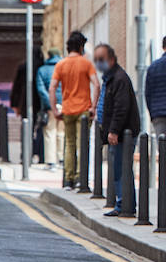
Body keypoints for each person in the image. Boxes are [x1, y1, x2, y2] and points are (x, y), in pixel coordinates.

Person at [93, 43, 140, 217]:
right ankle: (123, 203)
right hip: (117, 133)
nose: (98, 63)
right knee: (119, 168)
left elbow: (121, 107)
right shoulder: (111, 78)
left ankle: (124, 204)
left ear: (111, 59)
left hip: (123, 134)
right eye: (96, 60)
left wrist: (113, 131)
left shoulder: (119, 78)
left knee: (122, 168)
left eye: (101, 59)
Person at [50, 32, 100, 190]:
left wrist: (55, 109)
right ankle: (80, 178)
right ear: (80, 47)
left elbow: (52, 88)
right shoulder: (86, 64)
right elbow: (97, 85)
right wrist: (94, 106)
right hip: (84, 109)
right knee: (82, 144)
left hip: (67, 110)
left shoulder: (61, 65)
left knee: (69, 144)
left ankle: (68, 179)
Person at [144, 35, 166, 179]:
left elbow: (148, 92)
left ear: (162, 46)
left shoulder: (153, 66)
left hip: (158, 113)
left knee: (163, 147)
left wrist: (152, 113)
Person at [10, 57, 44, 165]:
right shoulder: (41, 67)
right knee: (40, 130)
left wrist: (15, 104)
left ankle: (25, 155)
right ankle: (40, 155)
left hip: (25, 103)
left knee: (26, 129)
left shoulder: (23, 66)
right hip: (39, 103)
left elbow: (16, 86)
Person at [34, 50, 59, 168]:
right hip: (65, 104)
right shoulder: (64, 67)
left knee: (50, 132)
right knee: (62, 133)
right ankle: (62, 159)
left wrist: (50, 103)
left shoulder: (42, 70)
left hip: (50, 106)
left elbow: (41, 89)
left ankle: (51, 162)